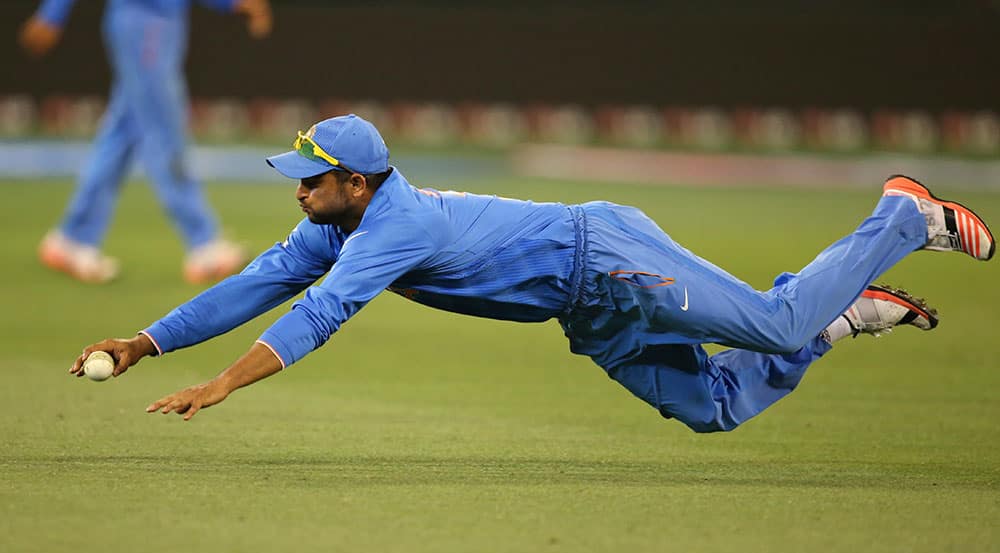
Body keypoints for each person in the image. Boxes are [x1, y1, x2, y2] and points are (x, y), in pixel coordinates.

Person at [69, 114, 995, 431]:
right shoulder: (336, 227)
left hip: (607, 257)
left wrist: (224, 383)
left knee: (773, 323)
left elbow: (318, 318)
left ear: (355, 181)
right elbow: (252, 288)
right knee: (710, 405)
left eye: (311, 180)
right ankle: (846, 319)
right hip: (584, 308)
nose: (298, 190)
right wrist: (147, 342)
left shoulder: (388, 227)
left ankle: (901, 214)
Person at [20, 0, 273, 284]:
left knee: (124, 132)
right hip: (145, 20)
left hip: (159, 21)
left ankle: (73, 237)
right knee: (164, 131)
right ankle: (203, 243)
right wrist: (52, 13)